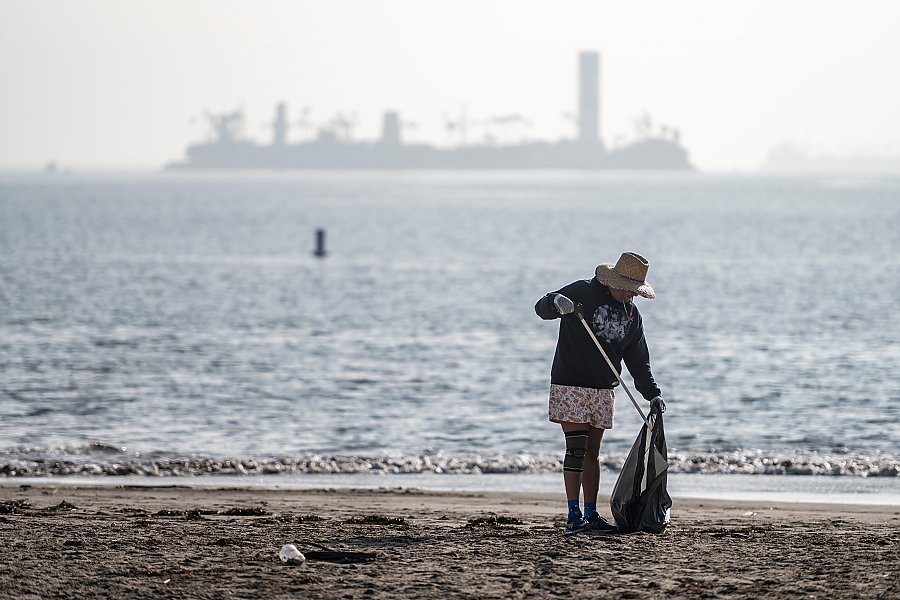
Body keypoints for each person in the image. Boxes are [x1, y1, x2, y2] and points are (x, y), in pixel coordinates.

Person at [535, 252, 665, 535]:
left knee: (592, 453)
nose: (632, 297)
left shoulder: (632, 316)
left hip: (603, 388)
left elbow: (638, 361)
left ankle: (591, 513)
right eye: (629, 291)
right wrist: (556, 303)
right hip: (570, 384)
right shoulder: (582, 291)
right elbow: (541, 307)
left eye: (635, 293)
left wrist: (652, 394)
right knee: (577, 448)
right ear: (615, 283)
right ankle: (573, 515)